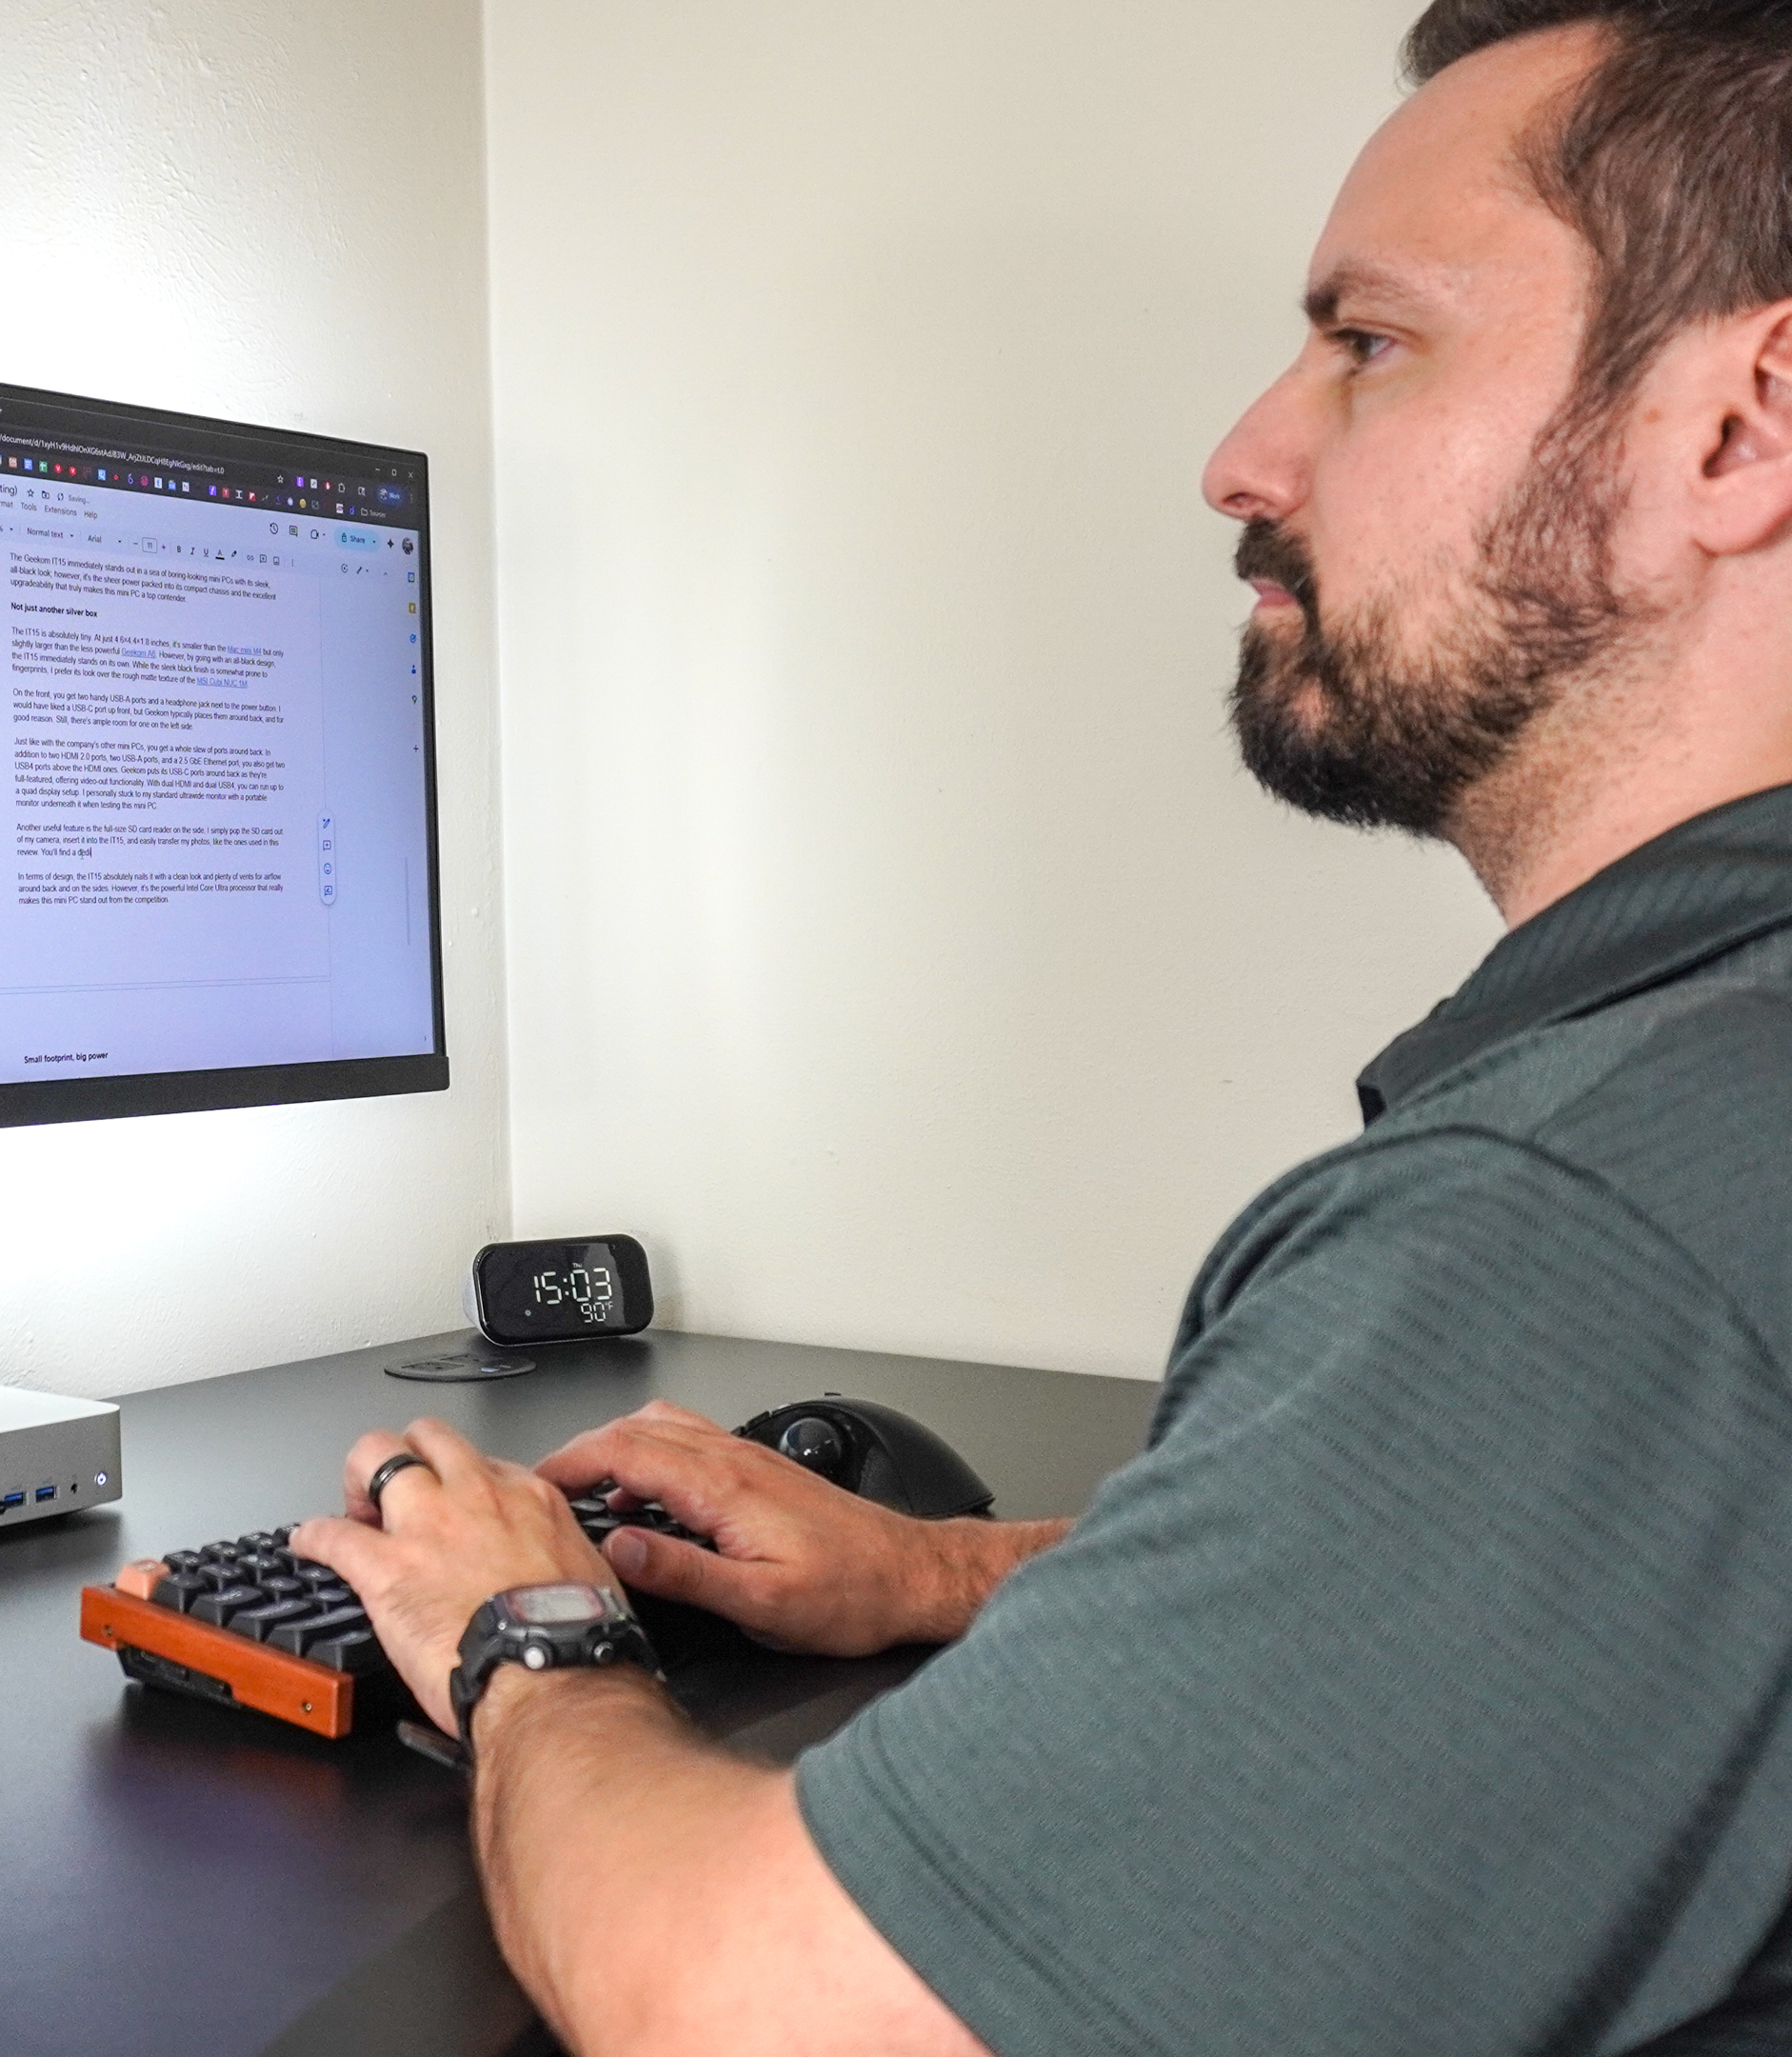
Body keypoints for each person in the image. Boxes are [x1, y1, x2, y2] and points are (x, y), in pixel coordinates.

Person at [293, 6, 1792, 2051]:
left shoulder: (1580, 1221)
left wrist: (525, 1631)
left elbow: (746, 2003)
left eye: (1369, 342)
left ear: (1744, 423)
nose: (1243, 457)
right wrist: (950, 1573)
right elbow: (1546, 1612)